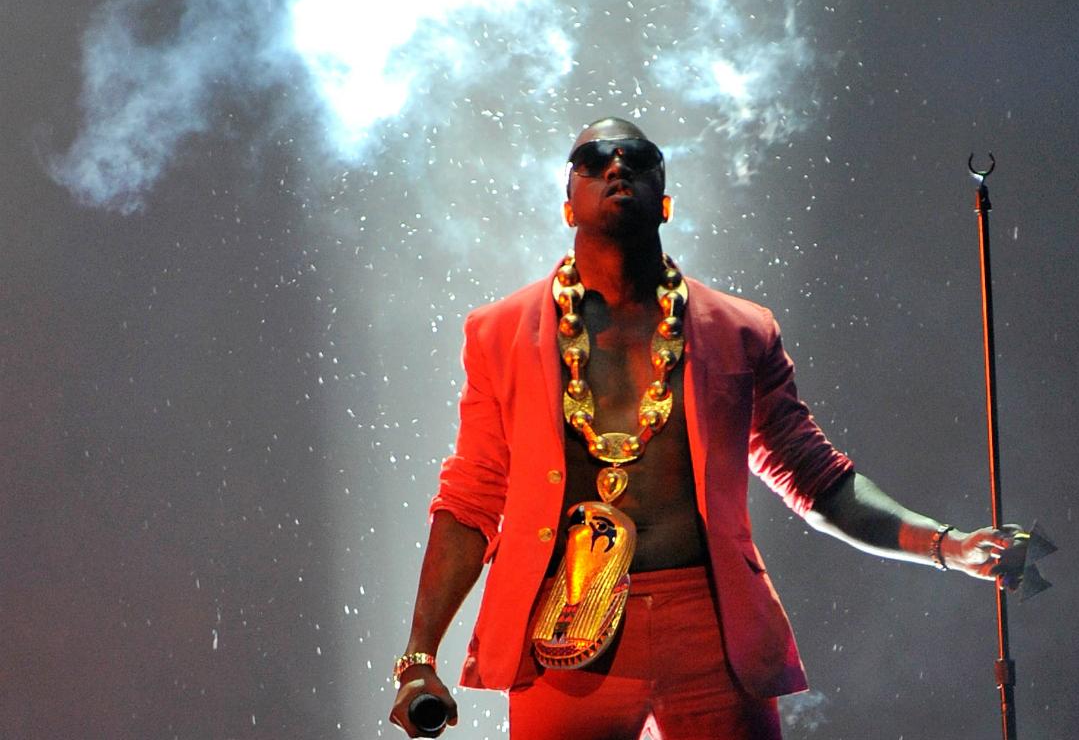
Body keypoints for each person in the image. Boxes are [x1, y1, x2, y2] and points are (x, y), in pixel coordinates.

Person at [389, 118, 1023, 739]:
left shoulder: (741, 331)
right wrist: (420, 659)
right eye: (594, 160)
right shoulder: (498, 333)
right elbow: (471, 498)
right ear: (567, 203)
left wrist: (948, 545)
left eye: (638, 159)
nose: (617, 167)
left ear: (664, 202)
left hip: (712, 632)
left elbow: (816, 478)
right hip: (565, 627)